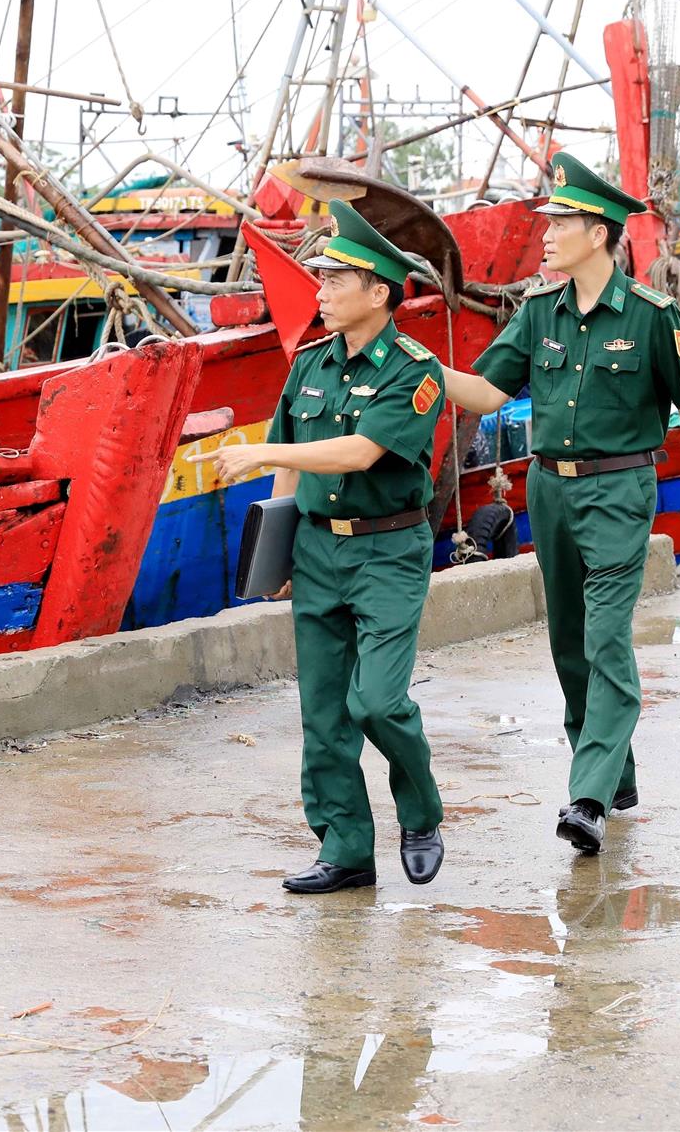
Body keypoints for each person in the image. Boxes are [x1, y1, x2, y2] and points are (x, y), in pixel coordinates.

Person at [435, 153, 680, 856]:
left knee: (605, 639)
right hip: (550, 489)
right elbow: (485, 393)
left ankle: (588, 796)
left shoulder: (653, 316)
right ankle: (616, 771)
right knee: (569, 644)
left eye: (560, 221)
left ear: (597, 233)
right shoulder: (540, 312)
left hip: (620, 490)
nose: (546, 233)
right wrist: (412, 362)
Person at [214, 202, 446, 893]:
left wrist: (258, 452)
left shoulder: (414, 369)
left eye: (335, 280)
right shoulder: (312, 362)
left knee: (375, 702)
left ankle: (422, 809)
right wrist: (279, 550)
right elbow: (300, 464)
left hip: (388, 553)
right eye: (320, 278)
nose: (320, 291)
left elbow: (358, 451)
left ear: (378, 292)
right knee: (322, 712)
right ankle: (344, 849)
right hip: (317, 552)